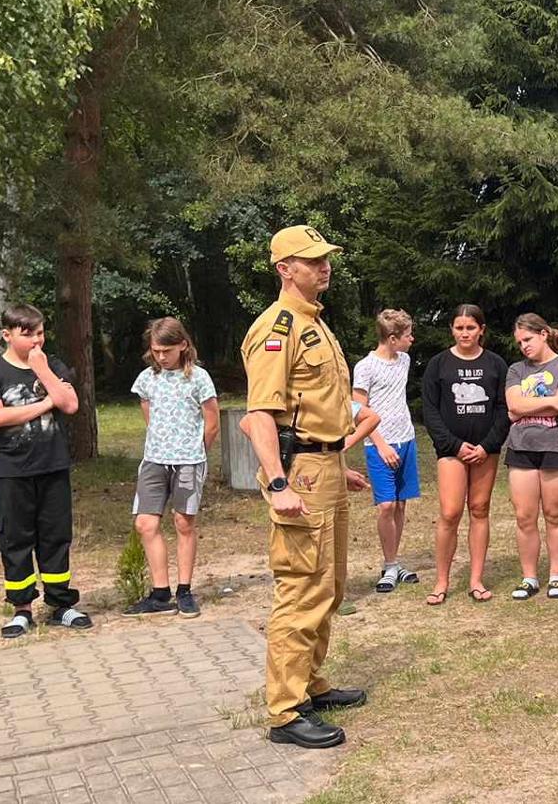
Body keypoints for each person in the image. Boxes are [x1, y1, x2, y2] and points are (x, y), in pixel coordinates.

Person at [239, 224, 370, 749]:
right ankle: (286, 711)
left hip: (327, 468)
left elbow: (321, 409)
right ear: (284, 269)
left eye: (325, 258)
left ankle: (310, 683)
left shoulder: (314, 323)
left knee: (330, 585)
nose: (324, 266)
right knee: (301, 588)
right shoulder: (276, 329)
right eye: (312, 260)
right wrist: (277, 482)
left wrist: (339, 462)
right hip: (300, 476)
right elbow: (260, 415)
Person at [0, 303, 89, 639]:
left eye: (40, 332)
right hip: (10, 470)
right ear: (7, 335)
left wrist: (43, 371)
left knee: (55, 536)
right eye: (28, 334)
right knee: (15, 539)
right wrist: (46, 402)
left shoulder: (52, 366)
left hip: (52, 465)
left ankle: (61, 604)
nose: (37, 340)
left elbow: (71, 404)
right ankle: (22, 609)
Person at [123, 317, 219, 619]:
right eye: (156, 351)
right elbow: (148, 412)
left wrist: (196, 451)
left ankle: (184, 590)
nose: (161, 357)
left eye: (166, 350)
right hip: (154, 459)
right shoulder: (147, 379)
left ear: (182, 345)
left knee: (183, 523)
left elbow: (211, 420)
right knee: (145, 524)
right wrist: (161, 443)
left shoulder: (199, 378)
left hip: (189, 460)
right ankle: (159, 592)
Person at [418, 305, 509, 604]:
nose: (465, 333)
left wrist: (487, 445)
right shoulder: (438, 364)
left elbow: (503, 409)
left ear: (481, 329)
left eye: (470, 328)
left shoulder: (496, 364)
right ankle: (441, 581)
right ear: (452, 330)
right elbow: (430, 411)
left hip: (486, 449)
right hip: (451, 450)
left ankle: (476, 579)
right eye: (459, 328)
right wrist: (455, 445)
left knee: (480, 509)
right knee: (450, 512)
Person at [504, 314, 558, 601]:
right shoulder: (515, 370)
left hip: (556, 446)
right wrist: (549, 400)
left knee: (554, 513)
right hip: (521, 448)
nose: (523, 346)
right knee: (524, 516)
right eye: (520, 342)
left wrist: (526, 408)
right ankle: (529, 578)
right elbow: (513, 404)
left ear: (544, 334)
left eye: (528, 339)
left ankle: (557, 575)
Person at [353, 309, 421, 594]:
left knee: (401, 504)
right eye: (407, 336)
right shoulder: (365, 367)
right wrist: (380, 443)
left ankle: (393, 562)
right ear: (392, 339)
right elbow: (357, 409)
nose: (412, 340)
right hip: (378, 444)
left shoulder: (404, 360)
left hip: (406, 438)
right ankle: (390, 564)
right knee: (386, 505)